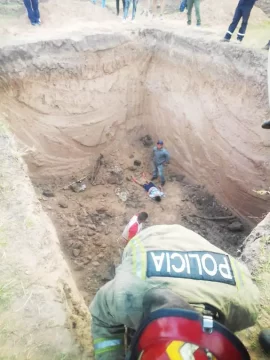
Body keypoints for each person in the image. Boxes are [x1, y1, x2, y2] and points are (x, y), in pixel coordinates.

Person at [90, 224, 259, 360]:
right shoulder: (126, 296)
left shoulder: (245, 306)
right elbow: (102, 317)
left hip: (198, 247)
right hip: (150, 239)